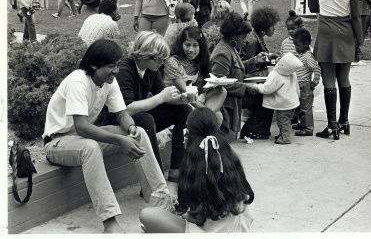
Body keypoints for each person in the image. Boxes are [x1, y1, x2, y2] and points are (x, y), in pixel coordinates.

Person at [42, 39, 174, 233]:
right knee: (90, 147)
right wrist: (120, 140)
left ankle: (162, 205)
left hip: (83, 137)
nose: (116, 71)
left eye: (118, 65)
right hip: (58, 142)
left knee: (140, 134)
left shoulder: (107, 82)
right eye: (111, 66)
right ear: (94, 64)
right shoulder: (78, 82)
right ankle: (110, 222)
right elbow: (82, 127)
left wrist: (130, 129)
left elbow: (121, 114)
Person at [140, 107, 254, 233]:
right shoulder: (227, 152)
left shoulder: (195, 162)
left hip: (213, 231)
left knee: (147, 215)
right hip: (241, 227)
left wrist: (179, 216)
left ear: (189, 133)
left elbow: (198, 218)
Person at [110, 31, 193, 183]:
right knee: (146, 119)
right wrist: (161, 97)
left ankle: (176, 168)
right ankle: (155, 180)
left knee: (184, 110)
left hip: (137, 117)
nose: (162, 63)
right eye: (159, 59)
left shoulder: (151, 69)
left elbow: (163, 96)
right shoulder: (125, 69)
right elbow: (126, 109)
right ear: (147, 56)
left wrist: (182, 99)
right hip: (119, 121)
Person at [308, 0, 363, 140]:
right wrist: (360, 41)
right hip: (347, 31)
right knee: (344, 78)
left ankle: (332, 126)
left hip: (326, 31)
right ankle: (344, 121)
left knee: (328, 79)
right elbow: (356, 16)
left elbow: (313, 7)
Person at [210, 11, 272, 140]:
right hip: (228, 101)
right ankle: (252, 130)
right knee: (266, 97)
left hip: (235, 95)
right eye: (243, 37)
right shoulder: (222, 53)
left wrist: (255, 60)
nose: (244, 41)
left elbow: (237, 68)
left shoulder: (230, 48)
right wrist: (246, 86)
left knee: (267, 94)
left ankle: (255, 130)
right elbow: (220, 83)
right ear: (233, 36)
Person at [164, 26, 227, 121]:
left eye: (195, 45)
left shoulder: (199, 62)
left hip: (195, 98)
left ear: (200, 46)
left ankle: (206, 116)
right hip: (179, 100)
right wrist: (204, 110)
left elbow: (201, 88)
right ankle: (206, 116)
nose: (191, 50)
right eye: (187, 45)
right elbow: (184, 90)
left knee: (222, 91)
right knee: (215, 117)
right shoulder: (173, 61)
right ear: (181, 44)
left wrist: (218, 82)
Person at [253, 52, 302, 144]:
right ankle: (283, 134)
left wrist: (256, 86)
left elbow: (267, 89)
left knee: (282, 121)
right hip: (292, 103)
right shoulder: (292, 73)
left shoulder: (276, 74)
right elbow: (297, 88)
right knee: (286, 121)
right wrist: (297, 98)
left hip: (283, 104)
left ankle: (285, 138)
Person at [290, 28, 321, 136]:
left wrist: (314, 82)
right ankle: (301, 123)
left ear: (306, 44)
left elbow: (316, 69)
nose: (296, 48)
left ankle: (308, 128)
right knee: (300, 107)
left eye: (298, 45)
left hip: (305, 86)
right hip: (299, 86)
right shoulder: (302, 55)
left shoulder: (308, 56)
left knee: (305, 108)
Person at [241, 7, 280, 77]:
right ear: (264, 26)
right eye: (272, 26)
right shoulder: (253, 42)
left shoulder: (258, 38)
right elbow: (248, 66)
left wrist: (269, 58)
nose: (274, 29)